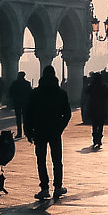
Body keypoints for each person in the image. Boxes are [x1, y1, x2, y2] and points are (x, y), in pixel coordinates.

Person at [25, 66, 71, 197]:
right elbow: (67, 114)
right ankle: (58, 187)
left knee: (41, 160)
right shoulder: (61, 93)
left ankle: (44, 188)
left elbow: (28, 114)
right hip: (55, 131)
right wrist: (60, 127)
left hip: (39, 130)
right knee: (57, 160)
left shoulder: (35, 93)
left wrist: (28, 131)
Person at [83, 72, 108, 150]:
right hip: (102, 108)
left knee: (94, 124)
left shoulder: (91, 87)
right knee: (100, 125)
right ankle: (99, 138)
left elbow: (86, 92)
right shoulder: (103, 87)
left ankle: (95, 138)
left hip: (93, 108)